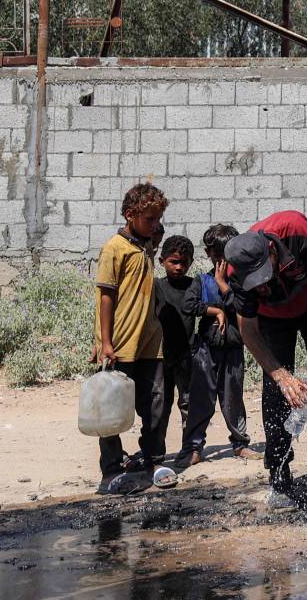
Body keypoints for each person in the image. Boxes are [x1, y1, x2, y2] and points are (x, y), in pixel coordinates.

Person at [224, 211, 307, 504]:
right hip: (272, 320)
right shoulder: (235, 274)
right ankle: (279, 472)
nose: (260, 283)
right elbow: (249, 331)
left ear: (270, 249)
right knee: (276, 393)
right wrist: (282, 377)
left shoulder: (295, 229)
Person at [93, 183, 178, 495]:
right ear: (130, 215)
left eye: (157, 220)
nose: (155, 226)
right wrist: (104, 340)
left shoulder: (146, 246)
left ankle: (153, 461)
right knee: (112, 409)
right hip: (121, 343)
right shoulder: (114, 248)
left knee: (155, 405)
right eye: (150, 220)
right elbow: (105, 296)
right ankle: (111, 470)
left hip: (150, 343)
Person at [174, 224, 261, 468]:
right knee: (201, 399)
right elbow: (188, 306)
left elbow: (244, 308)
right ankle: (193, 447)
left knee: (233, 397)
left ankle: (240, 443)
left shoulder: (243, 283)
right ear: (211, 255)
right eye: (216, 255)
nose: (220, 260)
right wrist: (214, 310)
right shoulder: (202, 281)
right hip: (206, 350)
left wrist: (224, 285)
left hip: (233, 348)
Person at [154, 235, 196, 445]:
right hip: (162, 355)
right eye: (174, 262)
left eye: (184, 263)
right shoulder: (156, 287)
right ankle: (156, 449)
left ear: (191, 263)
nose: (179, 267)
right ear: (162, 261)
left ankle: (189, 448)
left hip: (186, 355)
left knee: (188, 401)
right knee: (160, 403)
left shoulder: (194, 286)